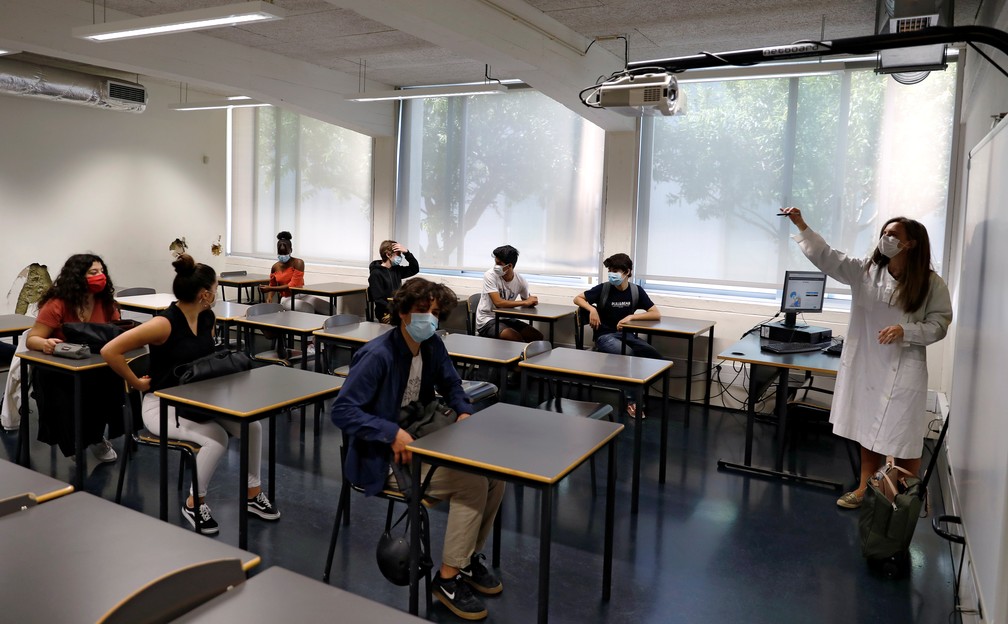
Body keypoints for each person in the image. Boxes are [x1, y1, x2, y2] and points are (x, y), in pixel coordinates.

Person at [331, 277, 505, 621]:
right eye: (422, 311)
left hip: (421, 445)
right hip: (381, 459)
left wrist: (464, 410)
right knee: (470, 483)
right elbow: (343, 410)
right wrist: (389, 431)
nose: (430, 318)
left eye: (435, 312)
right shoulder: (377, 355)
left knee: (494, 476)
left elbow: (451, 383)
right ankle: (448, 580)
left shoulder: (431, 345)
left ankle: (465, 559)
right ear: (403, 312)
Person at [780, 207, 952, 509]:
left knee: (905, 434)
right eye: (884, 233)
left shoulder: (930, 283)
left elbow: (939, 325)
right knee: (864, 427)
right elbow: (828, 257)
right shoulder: (865, 271)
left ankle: (904, 500)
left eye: (893, 235)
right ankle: (864, 488)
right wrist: (802, 225)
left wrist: (905, 330)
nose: (885, 238)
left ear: (910, 243)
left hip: (904, 368)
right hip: (867, 364)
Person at [101, 254, 280, 535]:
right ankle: (194, 503)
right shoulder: (164, 323)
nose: (218, 290)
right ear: (205, 293)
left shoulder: (208, 317)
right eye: (216, 286)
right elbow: (109, 350)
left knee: (253, 427)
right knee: (216, 440)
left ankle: (252, 494)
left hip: (199, 401)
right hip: (161, 405)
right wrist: (135, 382)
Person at [26, 253, 124, 462]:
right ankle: (76, 440)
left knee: (111, 386)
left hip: (96, 366)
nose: (100, 276)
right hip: (60, 369)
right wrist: (46, 344)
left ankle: (96, 437)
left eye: (102, 272)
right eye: (93, 272)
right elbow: (32, 339)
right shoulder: (57, 304)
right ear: (77, 276)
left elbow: (117, 333)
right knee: (67, 394)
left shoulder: (106, 303)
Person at [573, 252, 662, 417]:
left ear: (627, 272)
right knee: (628, 356)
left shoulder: (636, 291)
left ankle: (636, 388)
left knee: (658, 360)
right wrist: (592, 309)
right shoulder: (604, 289)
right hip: (605, 337)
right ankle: (633, 401)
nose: (612, 274)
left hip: (627, 336)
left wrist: (632, 317)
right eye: (610, 270)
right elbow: (577, 299)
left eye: (616, 270)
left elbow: (655, 313)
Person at [474, 245, 543, 342]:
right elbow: (498, 303)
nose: (495, 267)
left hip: (506, 319)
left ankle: (526, 356)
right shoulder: (490, 276)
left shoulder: (520, 281)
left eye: (499, 264)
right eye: (495, 263)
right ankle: (522, 357)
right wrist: (525, 302)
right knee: (515, 338)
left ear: (509, 266)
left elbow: (527, 301)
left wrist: (532, 302)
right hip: (487, 320)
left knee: (537, 337)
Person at [259, 231, 329, 314]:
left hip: (303, 295)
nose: (282, 255)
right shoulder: (275, 267)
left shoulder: (298, 263)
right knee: (308, 309)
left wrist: (269, 288)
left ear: (291, 250)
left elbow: (292, 286)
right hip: (287, 298)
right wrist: (269, 297)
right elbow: (272, 284)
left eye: (285, 253)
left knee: (330, 308)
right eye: (280, 253)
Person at [368, 239, 420, 323]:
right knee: (410, 323)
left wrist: (407, 252)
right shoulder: (376, 274)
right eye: (398, 254)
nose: (400, 257)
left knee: (419, 319)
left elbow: (415, 268)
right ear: (388, 255)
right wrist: (396, 309)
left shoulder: (396, 270)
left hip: (397, 310)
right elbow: (379, 299)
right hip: (386, 313)